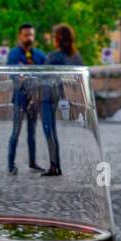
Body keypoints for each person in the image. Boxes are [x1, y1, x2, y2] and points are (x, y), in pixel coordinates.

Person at [37, 23, 81, 176]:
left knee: (49, 131)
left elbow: (43, 76)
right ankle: (56, 164)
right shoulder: (75, 57)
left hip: (47, 96)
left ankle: (54, 165)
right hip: (58, 95)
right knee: (52, 131)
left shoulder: (54, 56)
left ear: (59, 38)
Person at [5, 23, 46, 175]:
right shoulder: (14, 54)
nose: (29, 37)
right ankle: (11, 165)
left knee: (32, 132)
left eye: (31, 35)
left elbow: (47, 72)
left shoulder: (39, 55)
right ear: (20, 36)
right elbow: (13, 74)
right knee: (16, 132)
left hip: (34, 100)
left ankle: (33, 162)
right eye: (26, 35)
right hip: (20, 99)